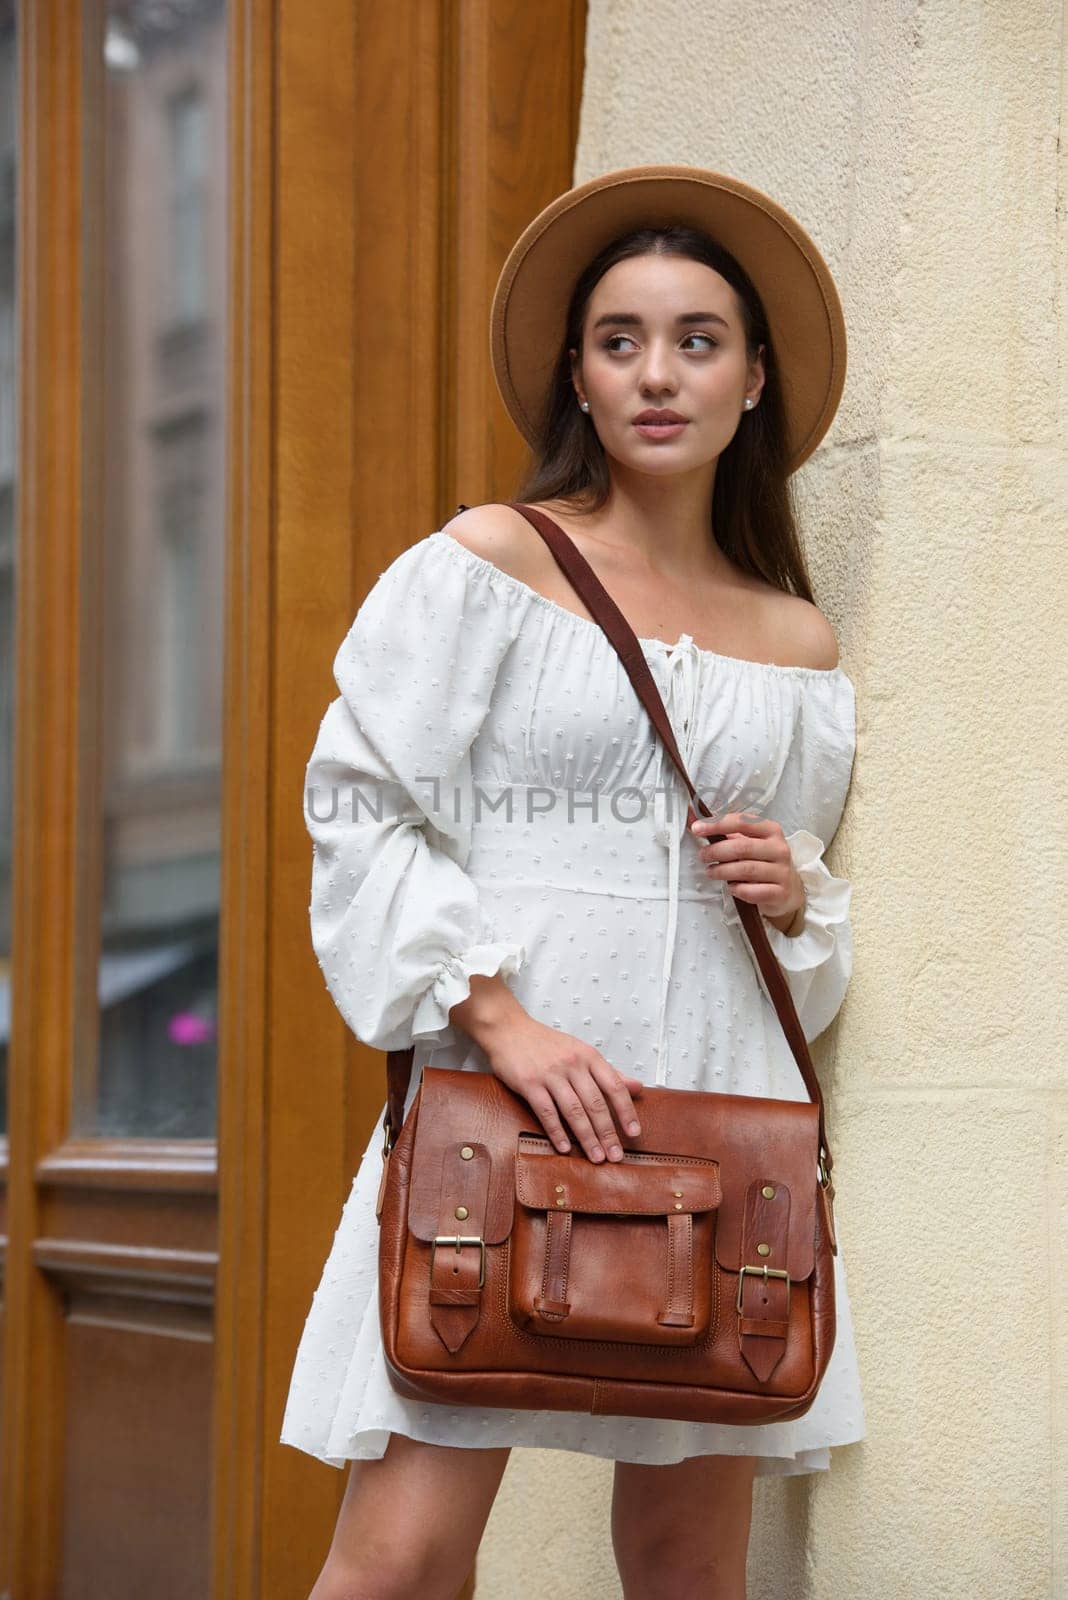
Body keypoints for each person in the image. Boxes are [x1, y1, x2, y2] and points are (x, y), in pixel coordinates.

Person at [282, 165, 867, 1600]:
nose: (657, 374)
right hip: (508, 1099)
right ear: (578, 377)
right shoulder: (489, 563)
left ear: (755, 377)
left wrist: (793, 894)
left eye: (696, 339)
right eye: (620, 340)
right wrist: (499, 1022)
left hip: (720, 1118)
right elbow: (358, 808)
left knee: (686, 1566)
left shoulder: (796, 642)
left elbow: (808, 939)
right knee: (405, 1558)